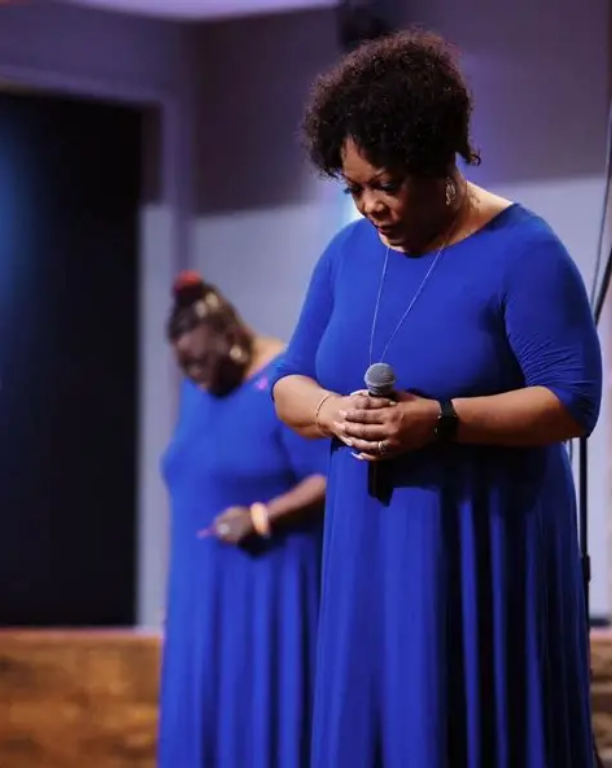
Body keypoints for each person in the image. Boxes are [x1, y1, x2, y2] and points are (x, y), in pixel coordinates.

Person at [270, 29, 602, 768]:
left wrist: (441, 420)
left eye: (386, 184)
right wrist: (331, 411)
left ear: (440, 157)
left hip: (480, 548)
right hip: (368, 555)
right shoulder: (346, 255)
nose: (370, 205)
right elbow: (289, 381)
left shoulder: (524, 251)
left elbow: (574, 399)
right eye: (354, 188)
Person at [159, 270, 328, 768]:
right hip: (199, 596)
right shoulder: (199, 389)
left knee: (258, 720)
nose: (194, 374)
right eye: (184, 364)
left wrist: (261, 516)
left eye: (201, 360)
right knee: (200, 724)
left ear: (231, 337)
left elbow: (330, 477)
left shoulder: (284, 383)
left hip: (268, 589)